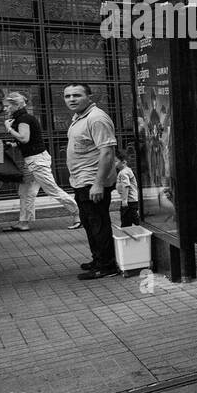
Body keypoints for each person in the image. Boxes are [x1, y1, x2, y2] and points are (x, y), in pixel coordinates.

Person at [2, 91, 81, 231]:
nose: (5, 108)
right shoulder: (22, 118)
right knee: (26, 191)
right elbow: (28, 141)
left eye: (7, 106)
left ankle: (79, 213)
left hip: (37, 161)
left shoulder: (24, 119)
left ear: (16, 105)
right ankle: (24, 222)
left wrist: (8, 129)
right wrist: (11, 144)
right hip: (33, 160)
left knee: (52, 190)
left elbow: (24, 138)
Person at [65, 84, 119, 279]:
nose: (71, 99)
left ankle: (107, 266)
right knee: (89, 223)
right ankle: (98, 259)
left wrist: (98, 184)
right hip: (81, 181)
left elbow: (107, 152)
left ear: (89, 96)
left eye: (77, 95)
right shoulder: (80, 117)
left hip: (92, 181)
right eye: (68, 96)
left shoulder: (96, 118)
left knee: (98, 223)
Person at [114, 148, 140, 227]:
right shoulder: (126, 171)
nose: (114, 164)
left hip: (129, 202)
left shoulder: (124, 172)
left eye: (116, 161)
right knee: (129, 220)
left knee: (127, 220)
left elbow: (126, 186)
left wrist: (124, 201)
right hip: (131, 201)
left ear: (124, 162)